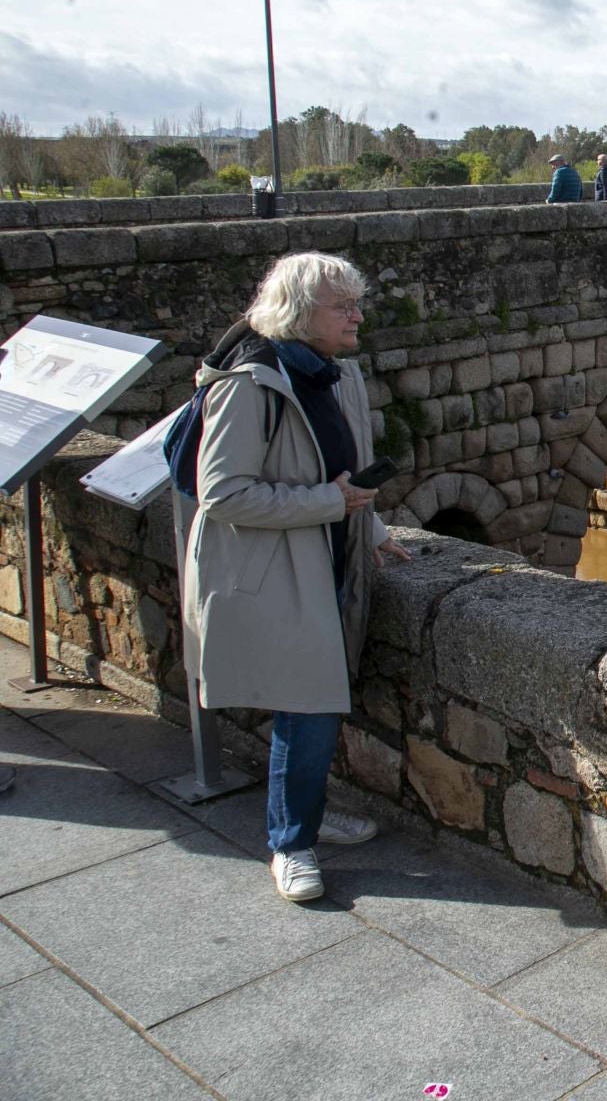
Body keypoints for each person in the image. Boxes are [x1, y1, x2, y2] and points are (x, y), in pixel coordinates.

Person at [178, 252, 412, 903]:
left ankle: (305, 812)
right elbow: (221, 493)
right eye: (344, 307)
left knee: (313, 699)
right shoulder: (248, 383)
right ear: (301, 313)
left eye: (356, 304)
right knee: (306, 705)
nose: (358, 315)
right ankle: (291, 845)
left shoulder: (340, 375)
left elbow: (352, 471)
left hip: (329, 557)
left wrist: (373, 528)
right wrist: (330, 506)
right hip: (275, 568)